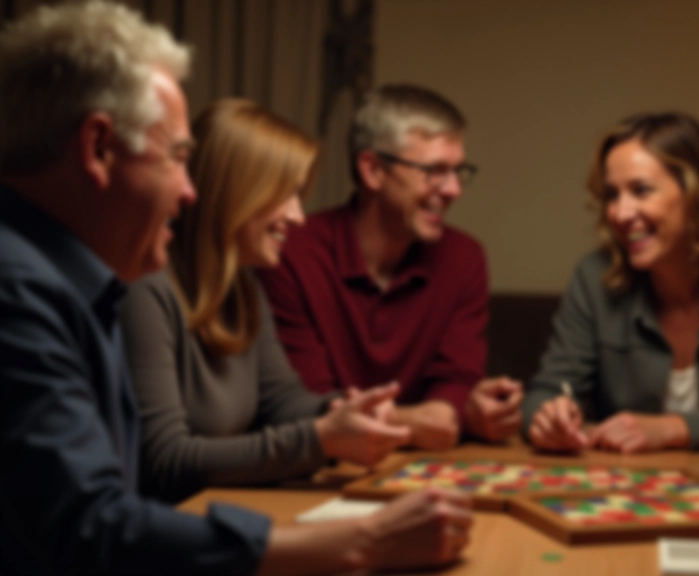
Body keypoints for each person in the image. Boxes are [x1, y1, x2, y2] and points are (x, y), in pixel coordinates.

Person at [0, 3, 470, 574]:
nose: (189, 191)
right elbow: (98, 522)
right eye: (176, 158)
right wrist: (359, 541)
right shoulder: (21, 291)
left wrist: (342, 417)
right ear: (98, 148)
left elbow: (278, 405)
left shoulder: (80, 282)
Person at [121, 99, 411, 503]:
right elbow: (164, 461)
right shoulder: (145, 288)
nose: (298, 217)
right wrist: (319, 440)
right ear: (234, 193)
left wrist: (342, 412)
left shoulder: (244, 282)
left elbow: (281, 400)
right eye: (284, 195)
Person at [523, 112, 699, 453]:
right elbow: (543, 394)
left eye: (641, 190)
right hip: (619, 492)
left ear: (695, 192)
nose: (620, 213)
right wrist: (548, 419)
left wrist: (672, 429)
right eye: (612, 195)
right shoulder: (593, 277)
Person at [258, 84, 522, 448]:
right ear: (373, 170)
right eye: (435, 171)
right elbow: (306, 405)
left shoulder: (464, 258)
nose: (454, 190)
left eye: (459, 171)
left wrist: (458, 410)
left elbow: (455, 389)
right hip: (316, 472)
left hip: (423, 471)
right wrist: (418, 419)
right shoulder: (292, 253)